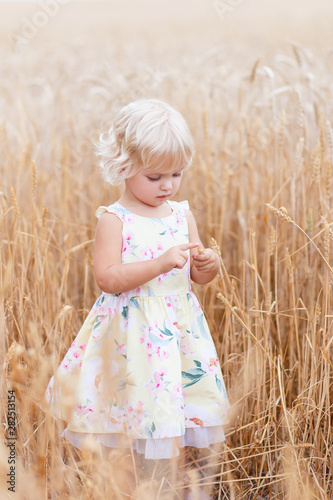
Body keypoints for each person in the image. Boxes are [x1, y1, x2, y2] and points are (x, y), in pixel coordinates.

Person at [42, 98, 229, 495]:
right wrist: (160, 264)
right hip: (131, 338)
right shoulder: (114, 219)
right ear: (123, 167)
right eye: (155, 176)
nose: (168, 185)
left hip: (175, 334)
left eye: (176, 174)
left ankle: (164, 486)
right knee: (132, 414)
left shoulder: (181, 215)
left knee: (168, 414)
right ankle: (125, 485)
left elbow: (195, 273)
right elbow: (107, 278)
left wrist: (206, 266)